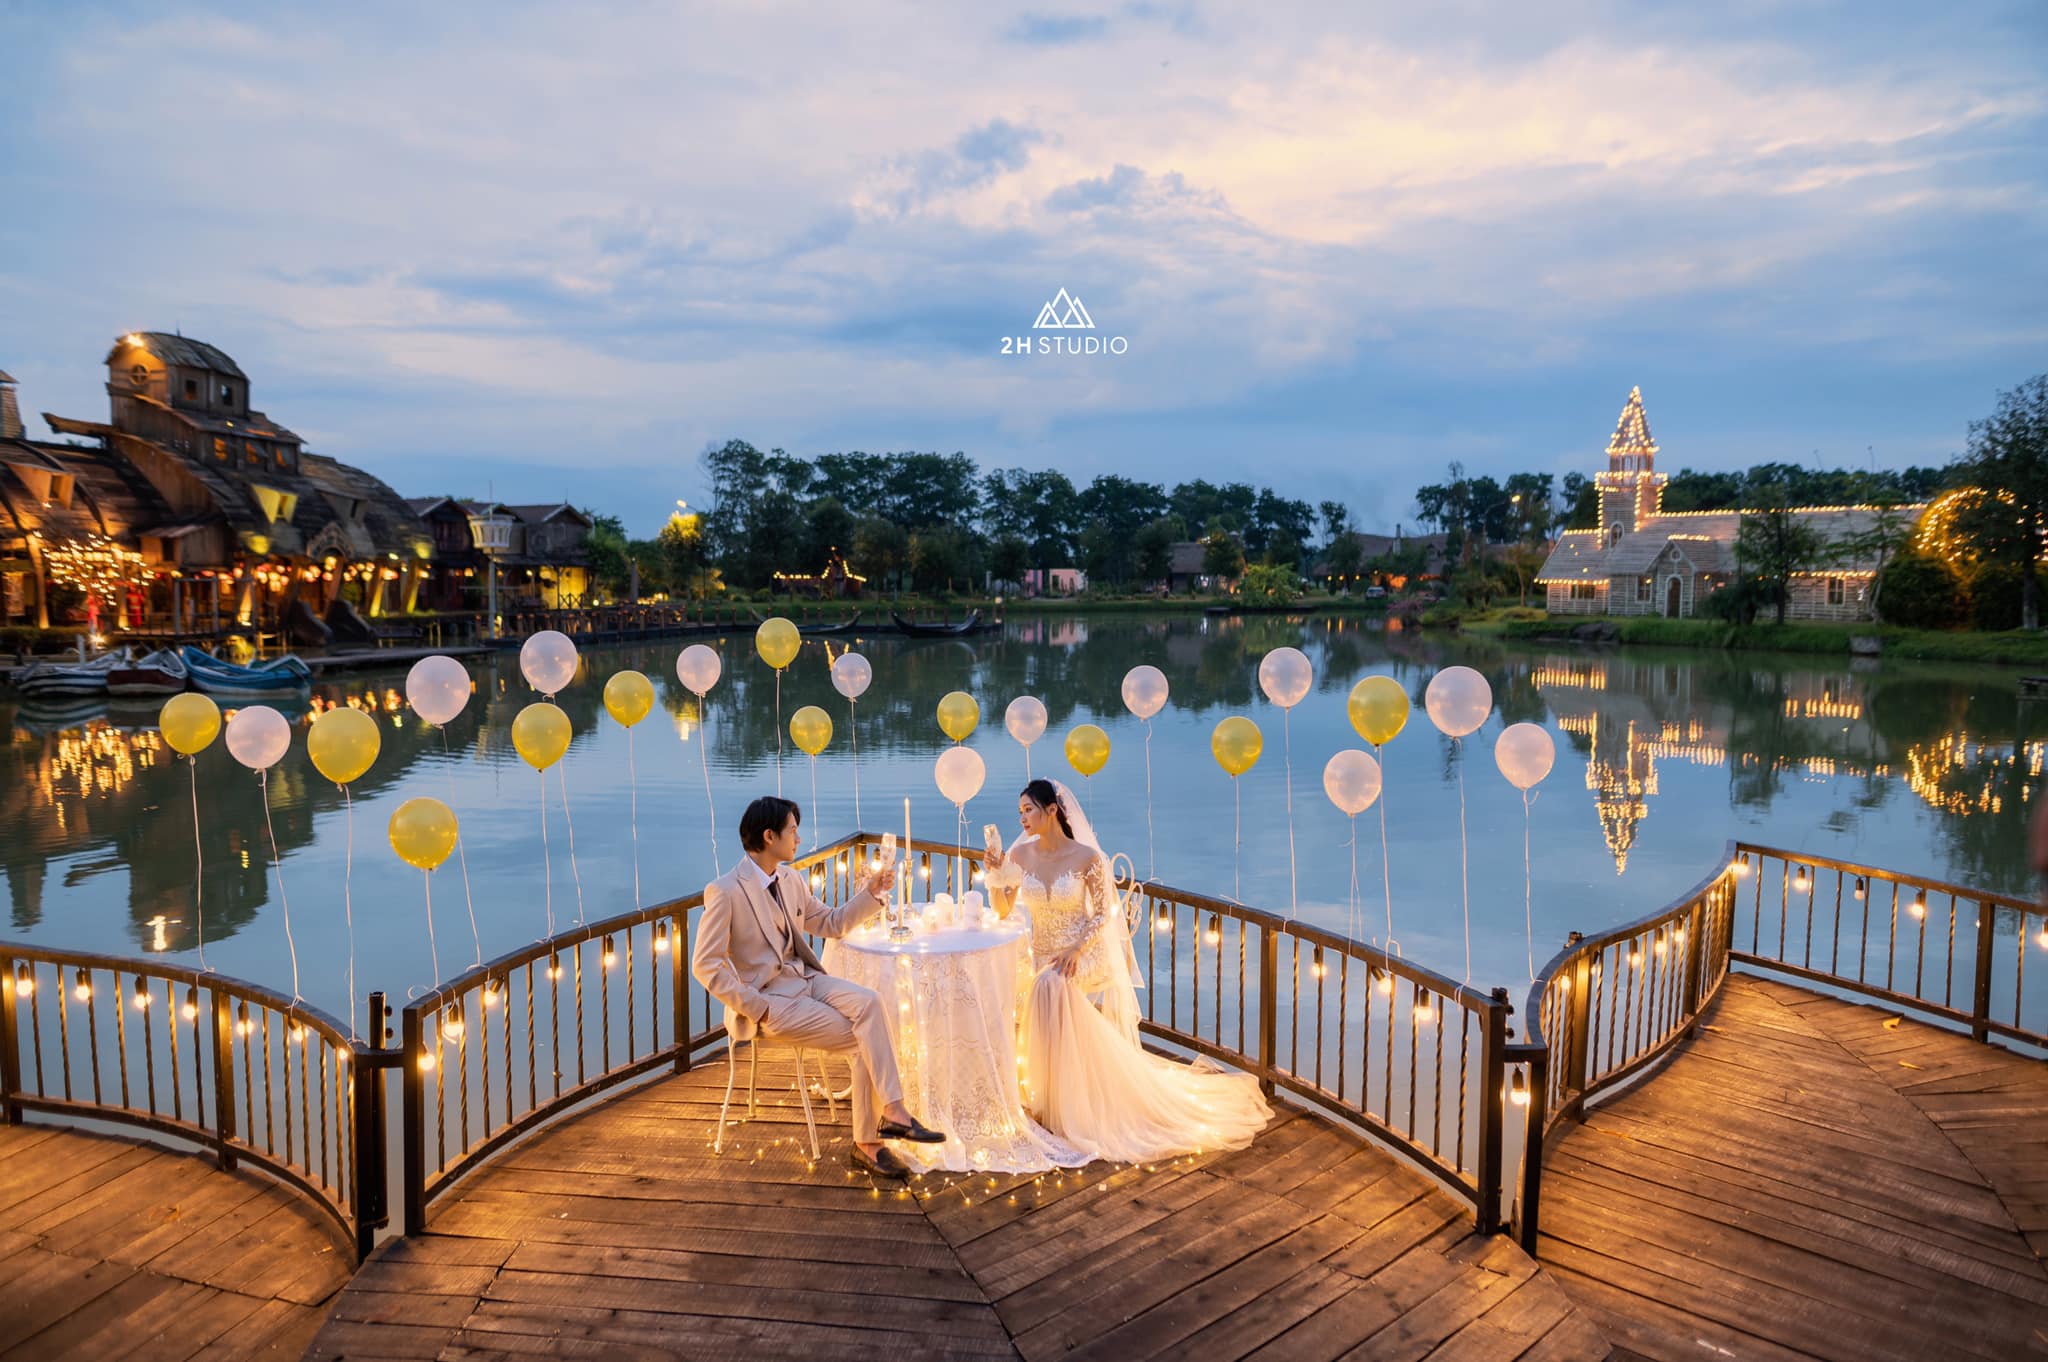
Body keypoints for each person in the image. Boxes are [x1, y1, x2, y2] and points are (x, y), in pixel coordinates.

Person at [982, 778, 1271, 1162]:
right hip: (1041, 954)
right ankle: (1052, 1096)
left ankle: (1060, 1104)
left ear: (1052, 811)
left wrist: (1075, 948)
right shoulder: (1020, 856)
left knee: (1051, 985)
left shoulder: (1086, 858)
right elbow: (1002, 910)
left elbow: (1102, 914)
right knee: (1040, 983)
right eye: (1019, 811)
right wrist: (995, 876)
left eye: (1028, 810)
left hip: (1081, 951)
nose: (1022, 818)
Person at [691, 796, 945, 1179]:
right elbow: (705, 964)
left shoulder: (790, 879)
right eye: (793, 830)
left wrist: (873, 894)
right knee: (865, 1039)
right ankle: (868, 1144)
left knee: (871, 1004)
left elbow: (832, 923)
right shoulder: (725, 891)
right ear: (769, 836)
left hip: (807, 980)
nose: (798, 838)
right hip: (770, 1002)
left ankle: (894, 1112)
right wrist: (756, 1006)